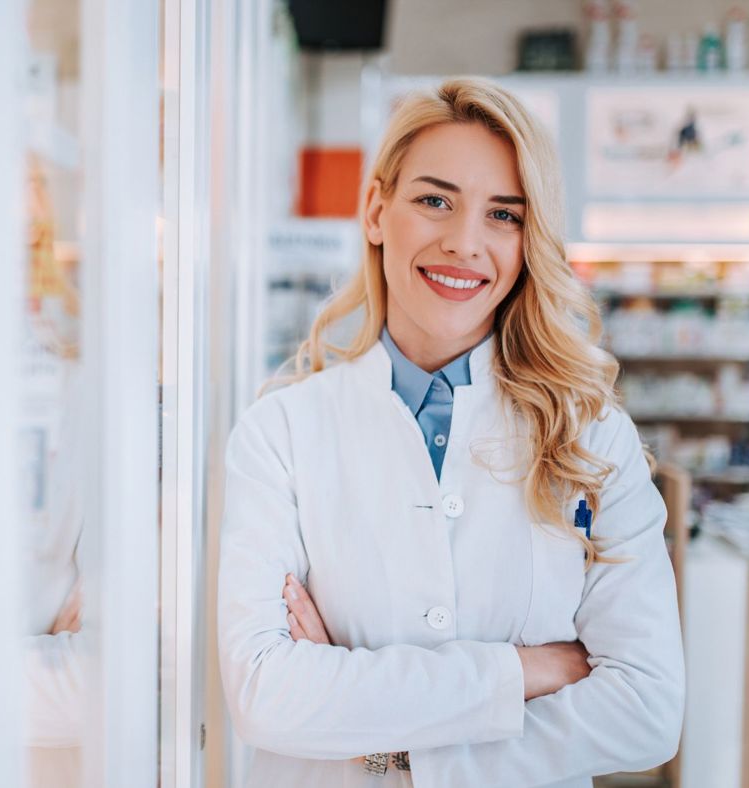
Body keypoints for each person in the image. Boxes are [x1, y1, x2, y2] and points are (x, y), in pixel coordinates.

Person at [217, 77, 685, 787]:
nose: (465, 243)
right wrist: (528, 670)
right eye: (435, 200)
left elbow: (646, 710)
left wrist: (385, 747)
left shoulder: (593, 439)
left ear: (532, 240)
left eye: (503, 214)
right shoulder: (280, 431)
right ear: (376, 210)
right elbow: (264, 695)